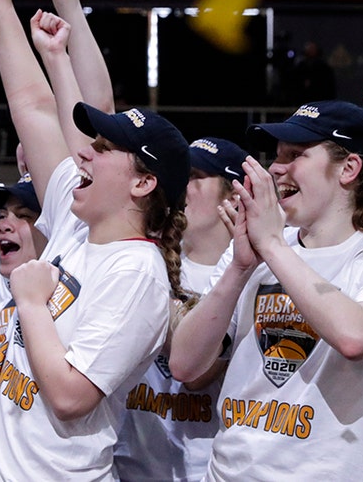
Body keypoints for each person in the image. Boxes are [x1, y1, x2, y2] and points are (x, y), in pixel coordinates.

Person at [0, 0, 185, 481]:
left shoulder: (138, 273)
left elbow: (69, 396)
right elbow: (32, 107)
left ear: (144, 183)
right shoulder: (75, 223)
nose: (83, 152)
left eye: (105, 150)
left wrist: (34, 304)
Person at [169, 100, 363, 481]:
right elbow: (185, 365)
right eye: (277, 156)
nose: (277, 168)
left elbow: (354, 336)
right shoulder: (253, 249)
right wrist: (241, 267)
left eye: (295, 155)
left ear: (349, 168)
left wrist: (273, 246)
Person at [113, 137, 247, 482]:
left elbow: (198, 375)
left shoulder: (249, 277)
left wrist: (161, 297)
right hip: (127, 465)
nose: (181, 186)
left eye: (196, 176)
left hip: (200, 469)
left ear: (232, 197)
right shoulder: (145, 259)